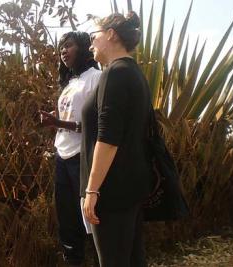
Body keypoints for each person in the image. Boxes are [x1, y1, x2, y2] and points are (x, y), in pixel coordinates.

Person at [81, 12, 153, 267]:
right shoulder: (134, 73)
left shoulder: (115, 74)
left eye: (93, 37)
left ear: (111, 34)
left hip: (111, 189)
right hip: (130, 184)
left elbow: (109, 138)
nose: (90, 44)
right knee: (132, 260)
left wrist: (92, 190)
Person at [38, 31, 101, 266]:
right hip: (62, 156)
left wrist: (59, 123)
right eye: (61, 47)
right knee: (67, 219)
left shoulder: (96, 78)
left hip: (83, 158)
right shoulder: (70, 83)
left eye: (69, 45)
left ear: (84, 48)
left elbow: (97, 124)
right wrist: (55, 117)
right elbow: (72, 114)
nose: (63, 51)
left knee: (90, 218)